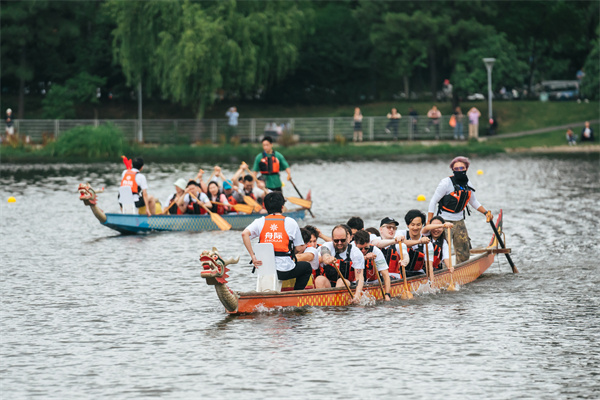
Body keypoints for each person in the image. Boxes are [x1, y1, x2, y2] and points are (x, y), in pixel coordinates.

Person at [427, 156, 493, 264]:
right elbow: (433, 201)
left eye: (462, 168)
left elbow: (473, 201)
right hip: (444, 221)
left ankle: (462, 268)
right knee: (442, 249)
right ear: (452, 170)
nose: (459, 171)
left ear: (466, 168)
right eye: (456, 169)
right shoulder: (445, 183)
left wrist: (486, 213)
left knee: (464, 250)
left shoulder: (468, 184)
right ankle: (441, 269)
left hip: (459, 221)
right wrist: (429, 221)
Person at [242, 192, 312, 291]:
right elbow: (299, 248)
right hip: (283, 271)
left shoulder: (260, 221)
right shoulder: (290, 222)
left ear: (265, 207)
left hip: (264, 268)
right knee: (307, 267)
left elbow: (244, 234)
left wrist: (253, 256)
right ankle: (296, 293)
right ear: (282, 207)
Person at [317, 225, 365, 303]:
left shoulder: (356, 253)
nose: (339, 243)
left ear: (347, 238)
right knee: (319, 279)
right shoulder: (327, 246)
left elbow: (359, 277)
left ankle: (335, 304)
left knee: (341, 281)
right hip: (329, 283)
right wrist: (328, 259)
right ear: (332, 239)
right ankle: (322, 303)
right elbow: (325, 255)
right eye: (336, 241)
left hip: (347, 284)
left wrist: (357, 295)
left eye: (342, 240)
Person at [354, 230, 391, 301]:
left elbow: (385, 274)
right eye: (360, 249)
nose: (363, 251)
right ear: (355, 243)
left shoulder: (376, 251)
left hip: (373, 282)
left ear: (369, 242)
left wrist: (387, 294)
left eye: (366, 248)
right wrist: (365, 258)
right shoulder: (351, 249)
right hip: (355, 283)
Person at [402, 210, 434, 277]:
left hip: (418, 273)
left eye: (418, 225)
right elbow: (402, 243)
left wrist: (431, 282)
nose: (415, 228)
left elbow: (429, 266)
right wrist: (420, 241)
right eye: (412, 225)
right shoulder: (401, 234)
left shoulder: (427, 243)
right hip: (401, 273)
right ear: (407, 225)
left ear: (422, 225)